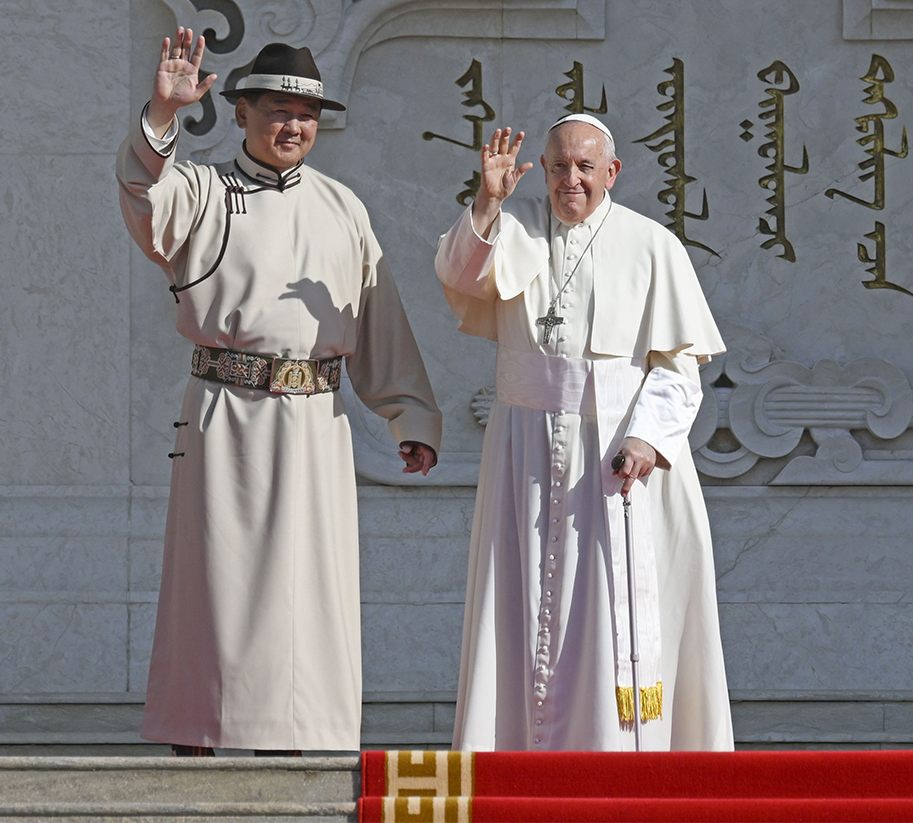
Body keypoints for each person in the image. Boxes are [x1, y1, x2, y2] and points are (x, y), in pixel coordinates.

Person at [116, 31, 443, 756]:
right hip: (225, 415)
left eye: (305, 112)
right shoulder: (200, 190)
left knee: (311, 585)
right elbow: (144, 194)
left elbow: (377, 314)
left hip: (316, 423)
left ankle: (308, 736)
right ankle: (201, 731)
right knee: (218, 580)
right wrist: (163, 117)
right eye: (275, 108)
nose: (292, 125)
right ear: (240, 113)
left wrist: (407, 412)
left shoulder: (343, 208)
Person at [434, 115, 734, 751]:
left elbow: (680, 370)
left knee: (606, 611)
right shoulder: (511, 230)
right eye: (559, 167)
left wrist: (647, 439)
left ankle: (617, 766)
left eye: (585, 168)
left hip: (617, 457)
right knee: (522, 611)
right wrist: (487, 200)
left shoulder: (653, 245)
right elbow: (459, 276)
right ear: (540, 171)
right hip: (525, 456)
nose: (572, 179)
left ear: (612, 173)